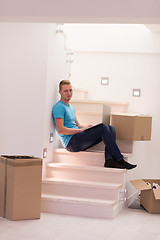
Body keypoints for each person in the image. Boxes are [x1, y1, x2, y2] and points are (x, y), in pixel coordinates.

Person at [52, 80, 137, 170]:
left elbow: (78, 125)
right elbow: (60, 129)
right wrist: (79, 130)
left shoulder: (70, 107)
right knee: (104, 128)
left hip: (78, 136)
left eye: (70, 90)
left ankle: (109, 160)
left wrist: (91, 128)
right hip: (71, 143)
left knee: (110, 128)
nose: (69, 93)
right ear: (60, 92)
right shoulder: (59, 107)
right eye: (66, 91)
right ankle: (119, 159)